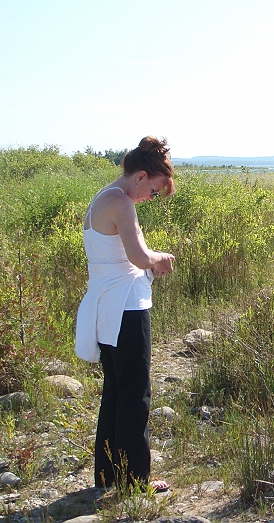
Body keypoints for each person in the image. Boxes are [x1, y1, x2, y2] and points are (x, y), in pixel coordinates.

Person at [74, 136, 176, 492]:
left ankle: (107, 475)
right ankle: (135, 481)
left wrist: (151, 259)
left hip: (106, 308)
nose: (150, 198)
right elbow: (139, 258)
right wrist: (161, 260)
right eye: (153, 190)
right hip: (127, 308)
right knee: (135, 392)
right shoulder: (121, 202)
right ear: (141, 176)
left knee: (115, 391)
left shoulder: (101, 199)